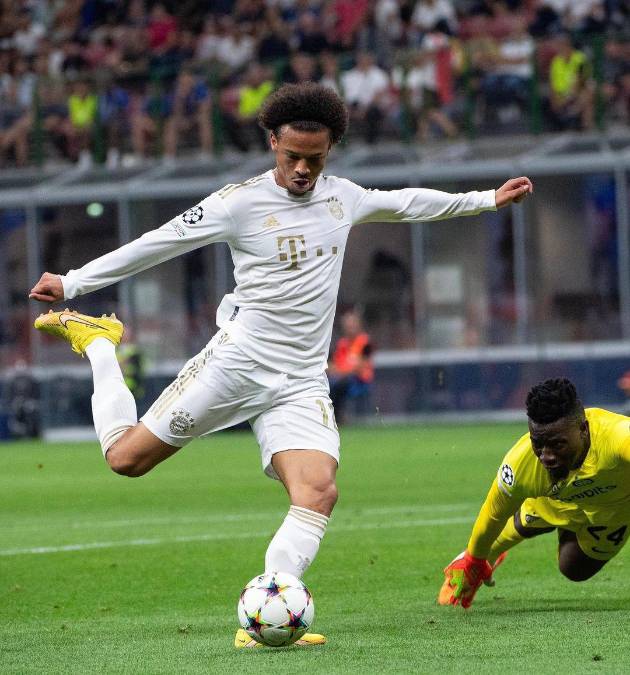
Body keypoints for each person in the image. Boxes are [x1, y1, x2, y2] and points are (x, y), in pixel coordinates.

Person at [29, 82, 532, 646]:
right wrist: (74, 282)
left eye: (314, 159)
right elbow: (158, 242)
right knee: (125, 460)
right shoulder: (237, 204)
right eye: (292, 156)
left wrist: (486, 199)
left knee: (318, 492)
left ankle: (268, 612)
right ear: (272, 142)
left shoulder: (343, 197)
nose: (302, 170)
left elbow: (407, 202)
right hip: (236, 364)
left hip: (301, 380)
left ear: (330, 149)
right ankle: (100, 343)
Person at [439, 378, 630, 610]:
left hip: (616, 509)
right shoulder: (521, 463)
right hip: (554, 501)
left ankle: (561, 524)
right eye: (538, 443)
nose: (545, 456)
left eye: (557, 444)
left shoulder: (618, 437)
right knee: (525, 518)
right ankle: (516, 530)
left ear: (583, 430)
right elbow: (494, 514)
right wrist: (474, 559)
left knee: (575, 569)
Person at [328, 308, 374, 424]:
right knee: (330, 383)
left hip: (359, 380)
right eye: (347, 325)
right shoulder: (342, 343)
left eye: (352, 324)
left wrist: (341, 371)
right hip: (341, 378)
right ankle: (332, 417)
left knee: (339, 384)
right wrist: (339, 370)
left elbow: (361, 366)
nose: (350, 327)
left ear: (359, 325)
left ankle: (337, 417)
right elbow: (333, 364)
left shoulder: (365, 342)